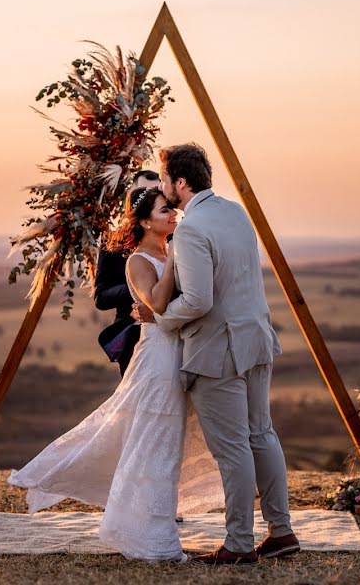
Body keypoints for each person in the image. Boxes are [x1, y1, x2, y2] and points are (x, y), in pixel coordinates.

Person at [8, 186, 223, 562]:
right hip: (157, 358)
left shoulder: (171, 250)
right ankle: (152, 537)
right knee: (152, 438)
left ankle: (143, 523)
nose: (174, 215)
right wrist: (172, 262)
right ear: (144, 223)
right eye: (164, 211)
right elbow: (154, 303)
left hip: (183, 353)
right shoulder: (138, 261)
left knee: (168, 443)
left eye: (173, 209)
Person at [134, 143, 298, 564]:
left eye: (165, 178)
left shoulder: (190, 228)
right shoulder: (235, 212)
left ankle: (240, 544)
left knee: (232, 448)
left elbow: (199, 301)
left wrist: (161, 320)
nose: (162, 185)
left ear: (181, 183)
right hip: (257, 339)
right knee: (262, 434)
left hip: (217, 350)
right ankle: (282, 532)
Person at [94, 170, 161, 374]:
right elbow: (101, 298)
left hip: (169, 331)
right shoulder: (112, 242)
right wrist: (135, 289)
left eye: (155, 192)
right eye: (143, 192)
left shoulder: (171, 238)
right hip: (132, 332)